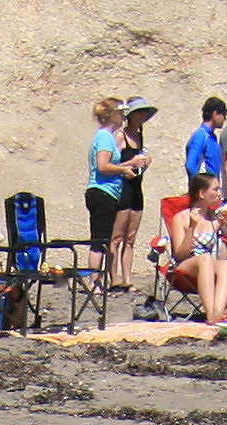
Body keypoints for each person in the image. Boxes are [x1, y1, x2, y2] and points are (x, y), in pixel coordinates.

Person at [165, 173, 227, 322]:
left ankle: (218, 312)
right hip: (184, 267)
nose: (219, 194)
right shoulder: (181, 218)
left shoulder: (215, 218)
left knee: (225, 264)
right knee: (205, 259)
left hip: (207, 266)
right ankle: (210, 313)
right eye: (215, 189)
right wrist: (192, 227)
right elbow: (180, 254)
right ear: (202, 193)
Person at [85, 101, 136, 290]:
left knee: (103, 238)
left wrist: (129, 164)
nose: (123, 117)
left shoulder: (106, 137)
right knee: (99, 239)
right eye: (120, 113)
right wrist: (123, 170)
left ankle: (96, 281)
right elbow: (103, 166)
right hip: (102, 192)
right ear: (111, 115)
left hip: (107, 192)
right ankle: (94, 282)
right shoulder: (106, 138)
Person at [109, 100, 160, 291]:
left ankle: (127, 279)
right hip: (122, 189)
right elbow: (111, 165)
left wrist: (144, 162)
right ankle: (113, 280)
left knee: (130, 238)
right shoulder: (120, 136)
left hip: (136, 189)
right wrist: (132, 162)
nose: (142, 117)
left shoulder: (139, 136)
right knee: (116, 238)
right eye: (139, 113)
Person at [183, 99, 227, 205]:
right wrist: (201, 189)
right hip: (203, 197)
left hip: (211, 195)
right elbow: (191, 165)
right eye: (223, 114)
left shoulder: (212, 137)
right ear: (215, 114)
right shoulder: (201, 135)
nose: (225, 118)